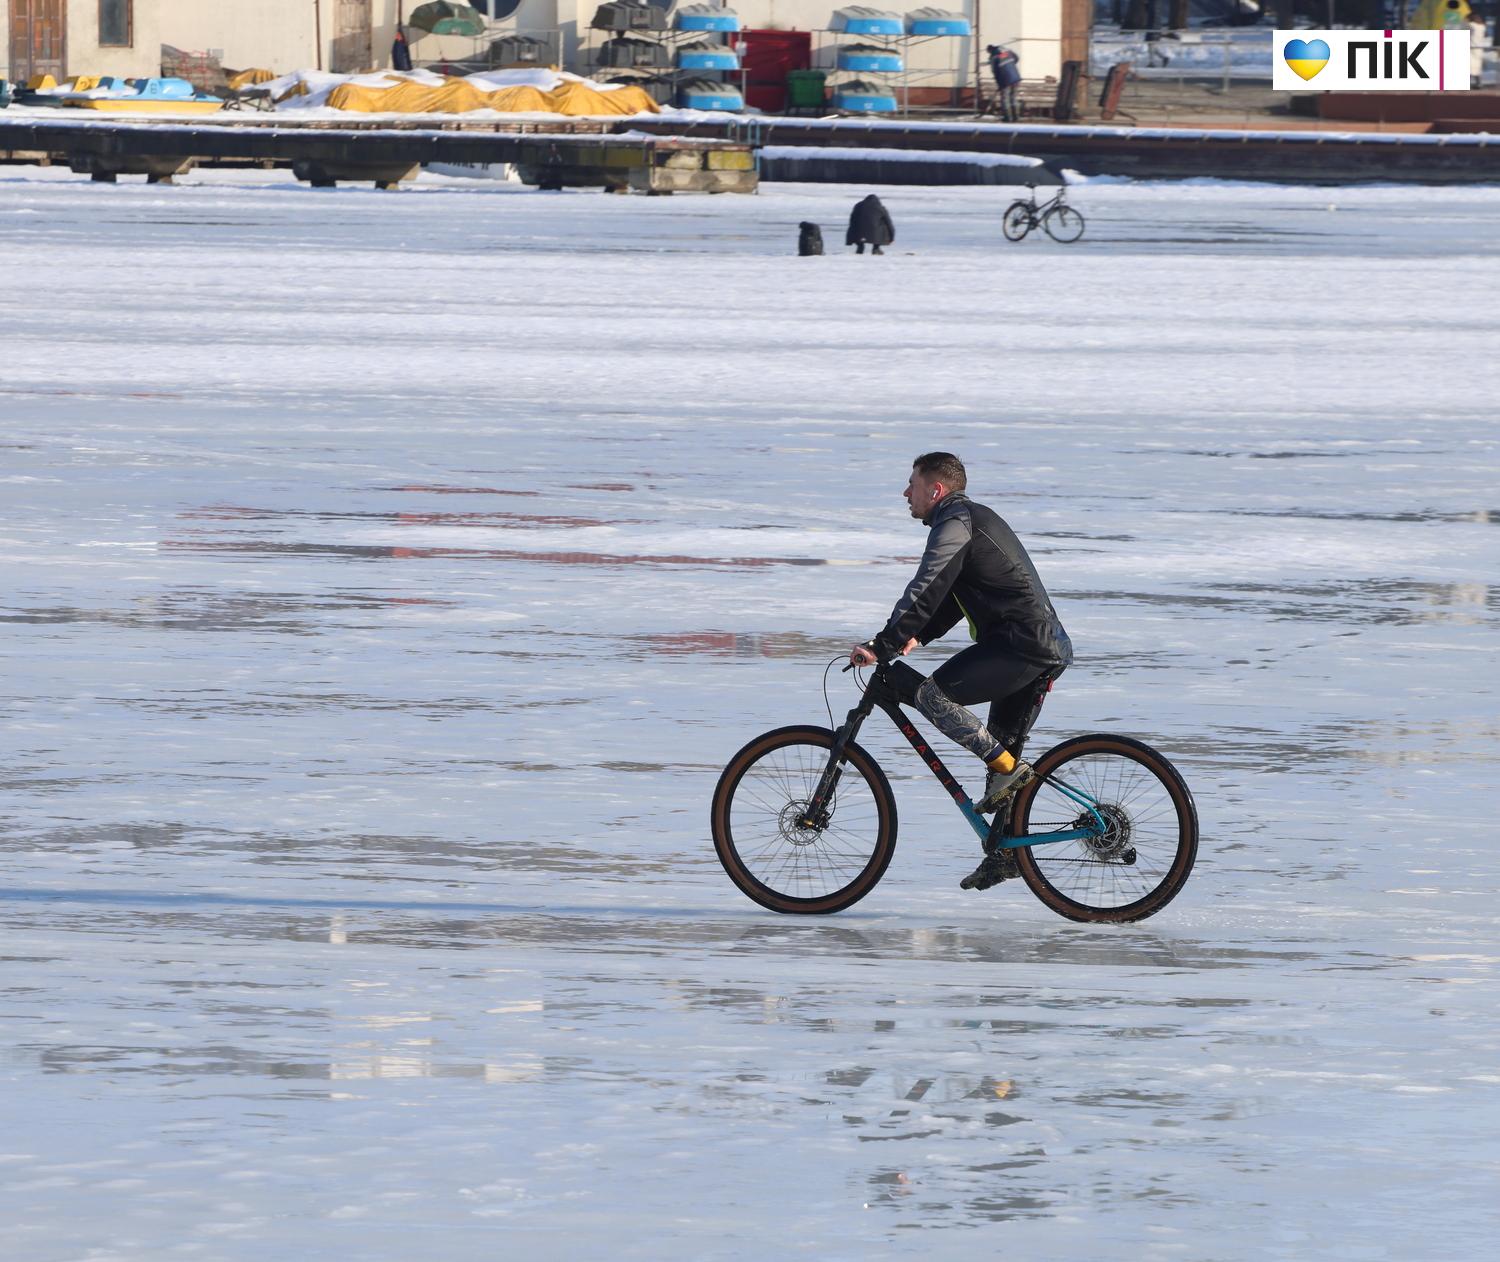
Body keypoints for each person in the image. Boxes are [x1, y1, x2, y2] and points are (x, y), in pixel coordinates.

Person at [848, 452, 1073, 891]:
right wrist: (919, 634)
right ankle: (1006, 855)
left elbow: (928, 584)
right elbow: (952, 597)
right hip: (1032, 645)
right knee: (1001, 766)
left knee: (933, 697)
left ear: (936, 490)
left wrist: (885, 643)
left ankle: (1008, 777)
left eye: (911, 483)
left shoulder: (956, 521)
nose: (905, 492)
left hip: (1021, 645)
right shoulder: (965, 520)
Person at [987, 44, 1021, 122]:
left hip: (1005, 80)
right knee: (1013, 98)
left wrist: (999, 84)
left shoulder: (994, 58)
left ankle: (1008, 118)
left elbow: (995, 72)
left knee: (1005, 99)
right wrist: (1010, 66)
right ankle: (1016, 117)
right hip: (1015, 78)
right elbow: (1016, 58)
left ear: (990, 51)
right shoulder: (1008, 52)